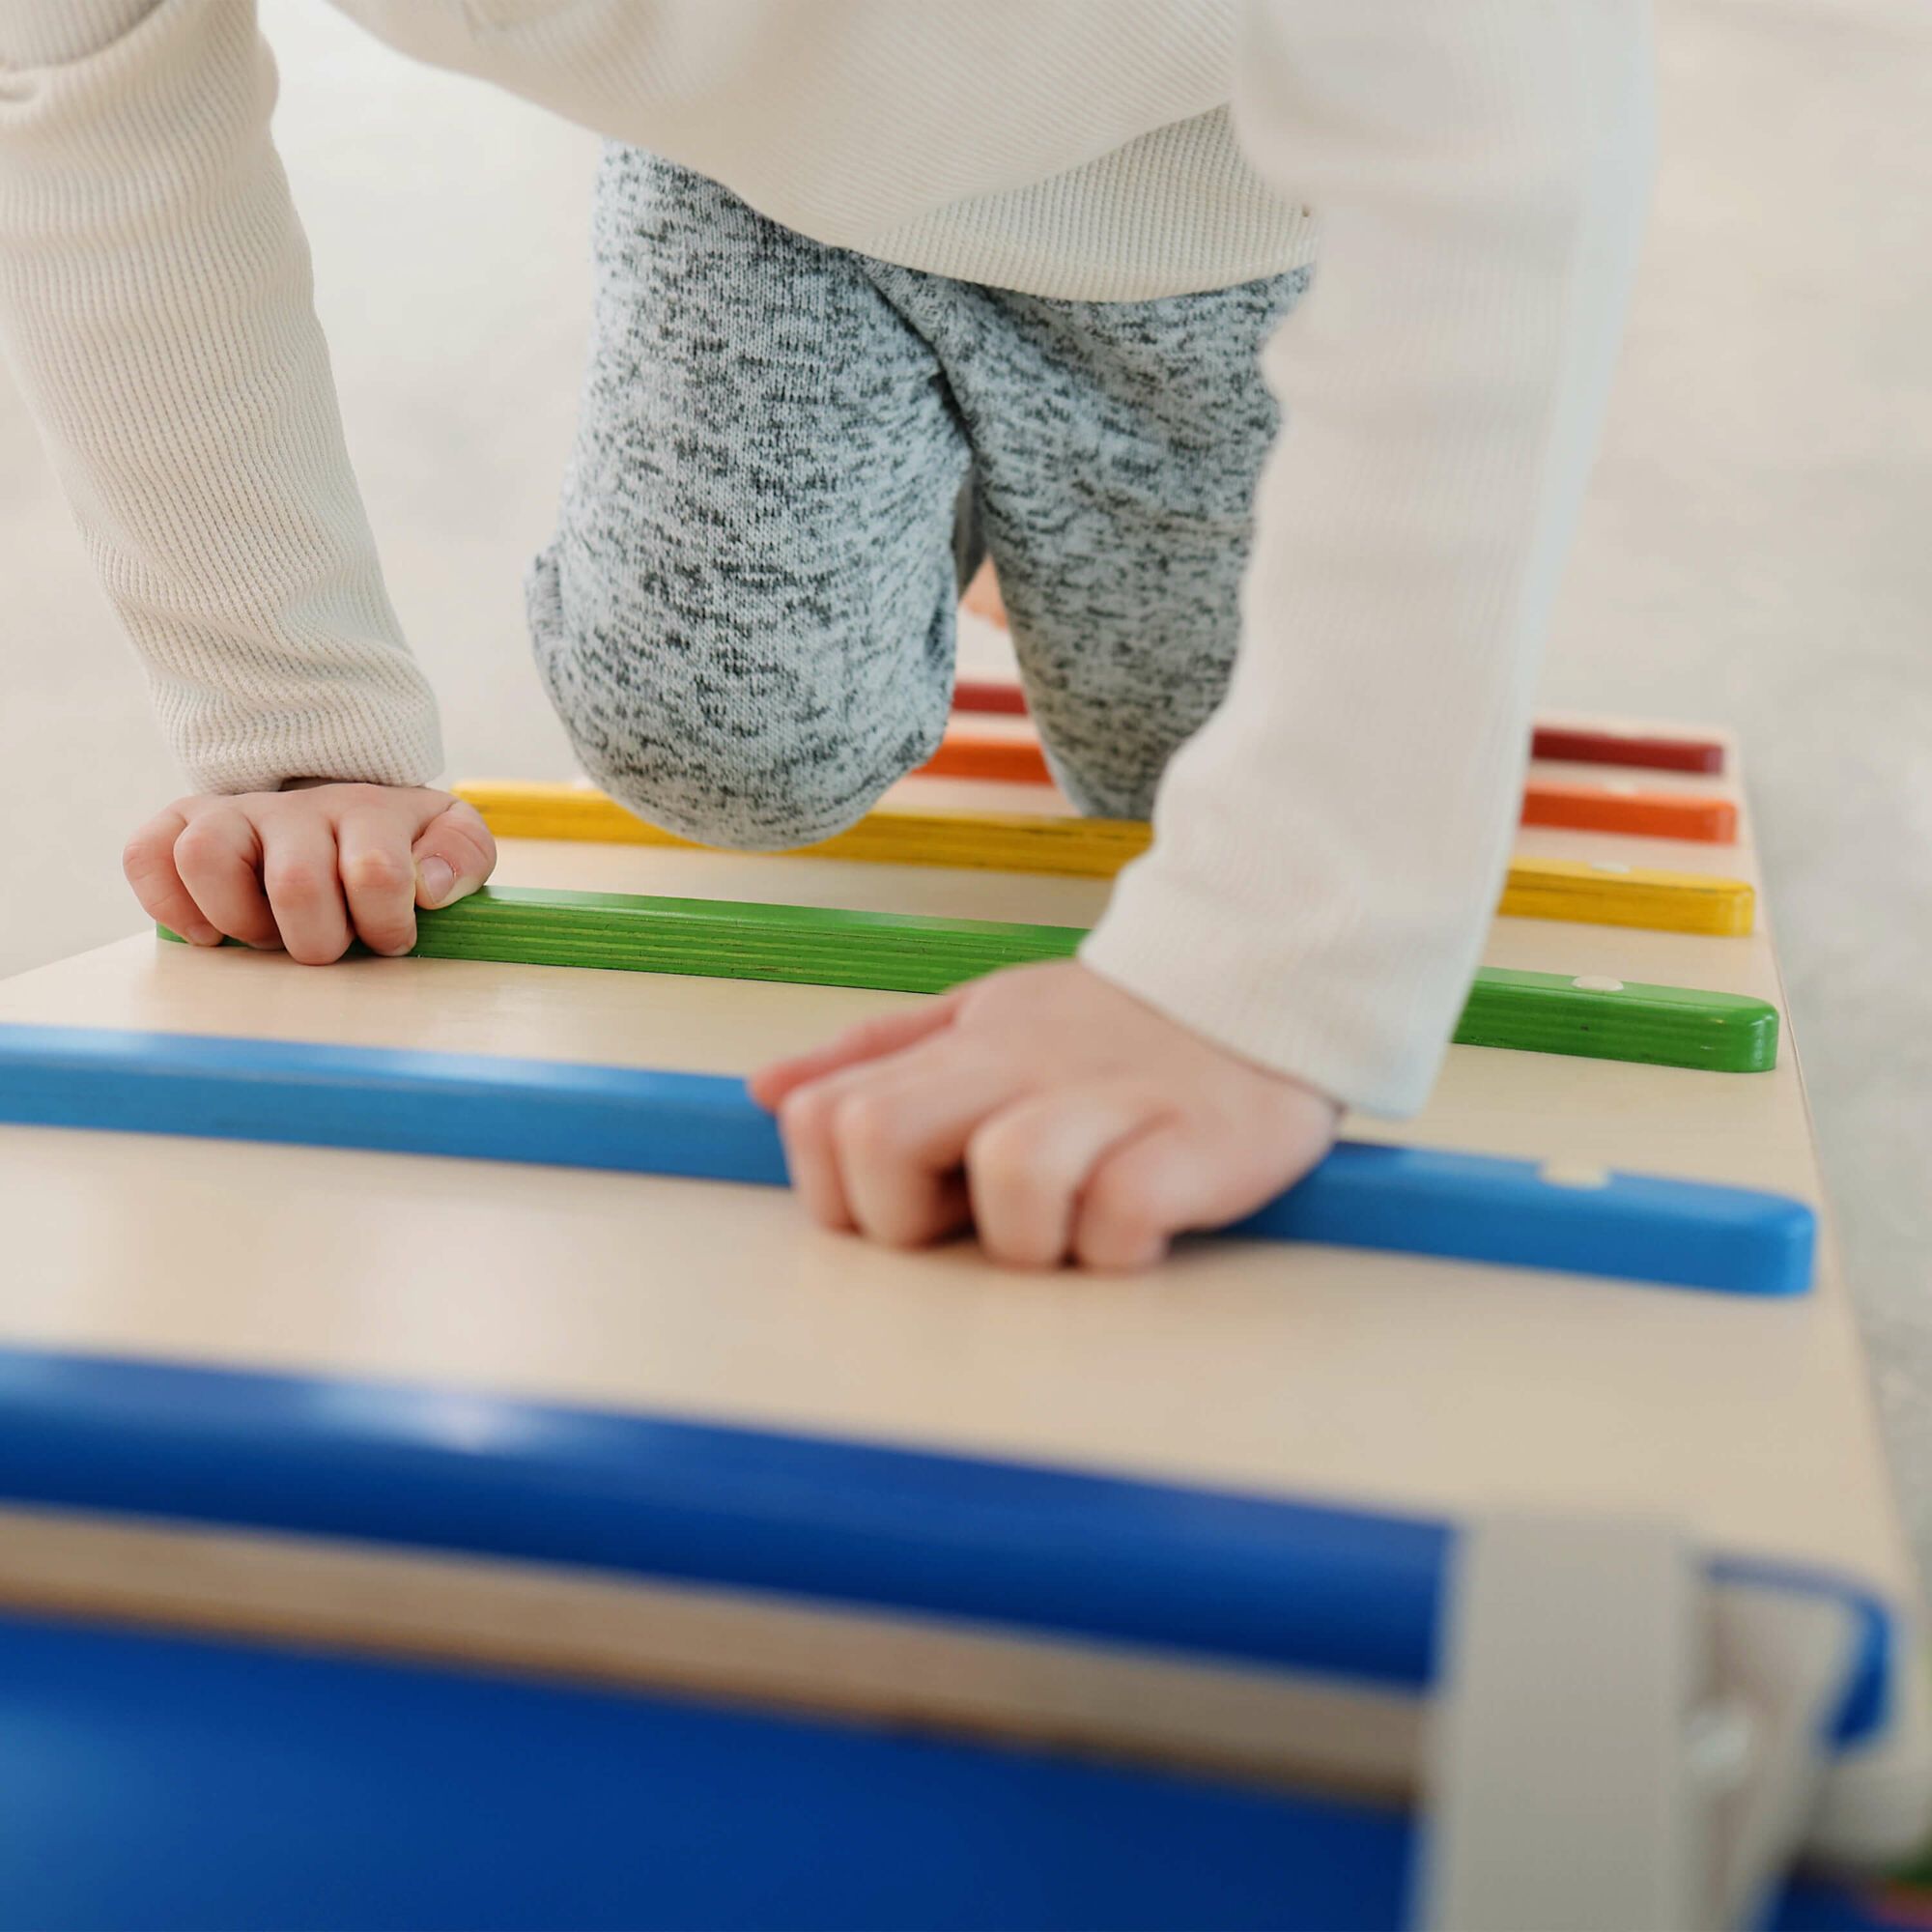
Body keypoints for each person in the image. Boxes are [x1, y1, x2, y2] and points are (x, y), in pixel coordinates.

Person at [0, 2, 1653, 1268]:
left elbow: (1505, 126)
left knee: (1179, 757)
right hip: (759, 189)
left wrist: (1281, 969)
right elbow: (85, 101)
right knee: (722, 740)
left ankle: (995, 523)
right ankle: (932, 488)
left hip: (1208, 210)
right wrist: (289, 727)